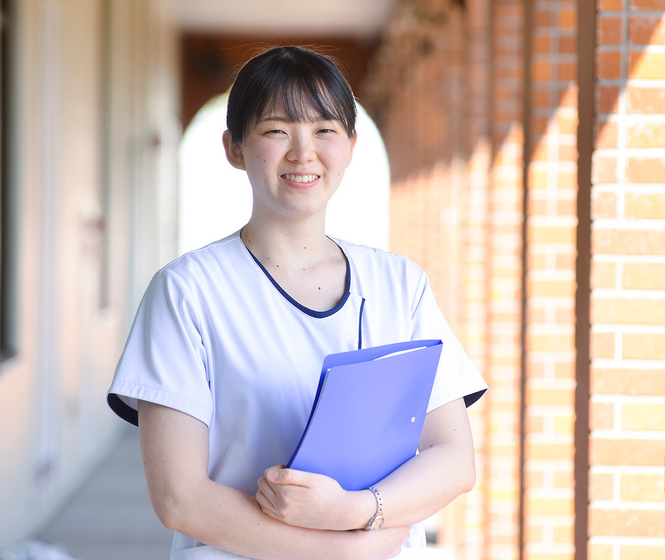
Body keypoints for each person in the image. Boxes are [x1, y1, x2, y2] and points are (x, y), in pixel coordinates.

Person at [107, 45, 487, 560]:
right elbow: (181, 499)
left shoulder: (401, 284)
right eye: (276, 130)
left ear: (351, 145)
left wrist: (354, 511)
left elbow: (454, 458)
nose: (303, 153)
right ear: (234, 147)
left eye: (325, 130)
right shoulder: (187, 291)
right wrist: (346, 552)